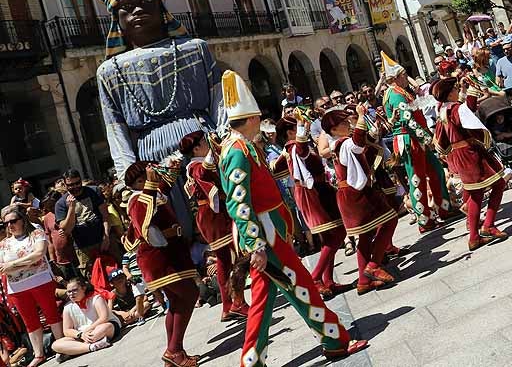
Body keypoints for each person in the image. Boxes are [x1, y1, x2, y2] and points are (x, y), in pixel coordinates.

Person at [217, 70, 366, 364]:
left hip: (270, 233)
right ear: (248, 119)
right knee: (303, 287)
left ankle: (252, 361)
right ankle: (335, 340)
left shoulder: (244, 147)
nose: (260, 120)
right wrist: (255, 244)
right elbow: (239, 203)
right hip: (266, 236)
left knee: (264, 299)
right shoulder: (236, 151)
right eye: (257, 116)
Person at [96, 0, 226, 239]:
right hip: (151, 162)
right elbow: (115, 129)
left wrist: (224, 140)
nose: (138, 10)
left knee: (221, 216)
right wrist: (128, 177)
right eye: (127, 8)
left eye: (146, 2)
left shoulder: (195, 48)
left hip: (202, 145)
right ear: (116, 19)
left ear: (161, 8)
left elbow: (219, 100)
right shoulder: (108, 71)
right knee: (175, 230)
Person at [122, 161, 199, 367]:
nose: (146, 181)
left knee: (175, 302)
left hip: (170, 254)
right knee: (190, 294)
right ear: (134, 185)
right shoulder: (138, 199)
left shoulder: (151, 194)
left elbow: (162, 188)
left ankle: (174, 352)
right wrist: (150, 185)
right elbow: (142, 218)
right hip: (159, 258)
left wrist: (170, 169)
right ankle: (174, 351)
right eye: (140, 180)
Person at [274, 112, 350, 298]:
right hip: (313, 192)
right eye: (297, 127)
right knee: (336, 235)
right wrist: (302, 129)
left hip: (317, 190)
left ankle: (328, 281)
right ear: (290, 132)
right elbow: (300, 152)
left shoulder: (290, 148)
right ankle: (315, 278)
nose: (305, 128)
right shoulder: (294, 146)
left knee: (330, 236)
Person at [323, 106, 399, 291]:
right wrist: (362, 116)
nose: (347, 123)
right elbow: (358, 142)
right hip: (357, 194)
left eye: (346, 121)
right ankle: (373, 266)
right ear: (333, 130)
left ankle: (363, 281)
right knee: (390, 220)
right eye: (342, 123)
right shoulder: (343, 143)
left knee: (365, 235)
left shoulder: (340, 143)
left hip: (351, 194)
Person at [430, 77, 508, 250]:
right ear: (450, 93)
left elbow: (441, 141)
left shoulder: (443, 110)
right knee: (499, 183)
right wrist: (472, 91)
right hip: (471, 154)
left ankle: (474, 236)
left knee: (476, 194)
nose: (458, 91)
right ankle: (488, 225)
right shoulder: (455, 108)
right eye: (456, 89)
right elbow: (467, 115)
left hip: (460, 155)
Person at [180, 131, 249, 321]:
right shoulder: (195, 165)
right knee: (230, 258)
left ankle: (231, 305)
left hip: (217, 214)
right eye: (204, 142)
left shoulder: (200, 162)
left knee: (228, 259)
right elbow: (203, 171)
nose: (208, 143)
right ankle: (234, 303)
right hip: (212, 215)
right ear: (196, 149)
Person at [382, 53, 454, 232]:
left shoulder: (401, 91)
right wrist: (427, 138)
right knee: (417, 180)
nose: (407, 77)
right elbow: (408, 119)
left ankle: (444, 209)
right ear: (395, 78)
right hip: (410, 141)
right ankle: (425, 221)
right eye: (404, 75)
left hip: (417, 139)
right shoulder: (395, 94)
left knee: (436, 171)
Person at [0, 205, 63, 367]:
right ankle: (39, 354)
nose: (10, 225)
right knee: (30, 321)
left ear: (22, 220)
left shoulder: (35, 232)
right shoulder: (4, 244)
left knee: (51, 314)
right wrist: (26, 264)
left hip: (40, 281)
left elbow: (38, 254)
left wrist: (13, 264)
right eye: (5, 223)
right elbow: (2, 267)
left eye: (13, 221)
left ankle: (62, 346)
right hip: (17, 288)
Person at [55, 169, 111, 274]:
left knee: (114, 271)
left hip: (103, 239)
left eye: (77, 183)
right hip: (83, 247)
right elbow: (66, 229)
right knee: (92, 276)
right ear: (65, 185)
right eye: (71, 185)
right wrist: (71, 208)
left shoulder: (94, 191)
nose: (75, 187)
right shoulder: (61, 203)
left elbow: (105, 216)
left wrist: (106, 236)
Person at [51, 279, 116, 359]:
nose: (71, 294)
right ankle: (91, 347)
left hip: (99, 328)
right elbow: (67, 330)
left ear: (83, 288)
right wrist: (80, 335)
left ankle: (73, 351)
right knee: (55, 345)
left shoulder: (96, 298)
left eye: (74, 290)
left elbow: (104, 318)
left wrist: (87, 331)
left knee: (104, 327)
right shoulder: (67, 307)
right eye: (69, 292)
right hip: (82, 336)